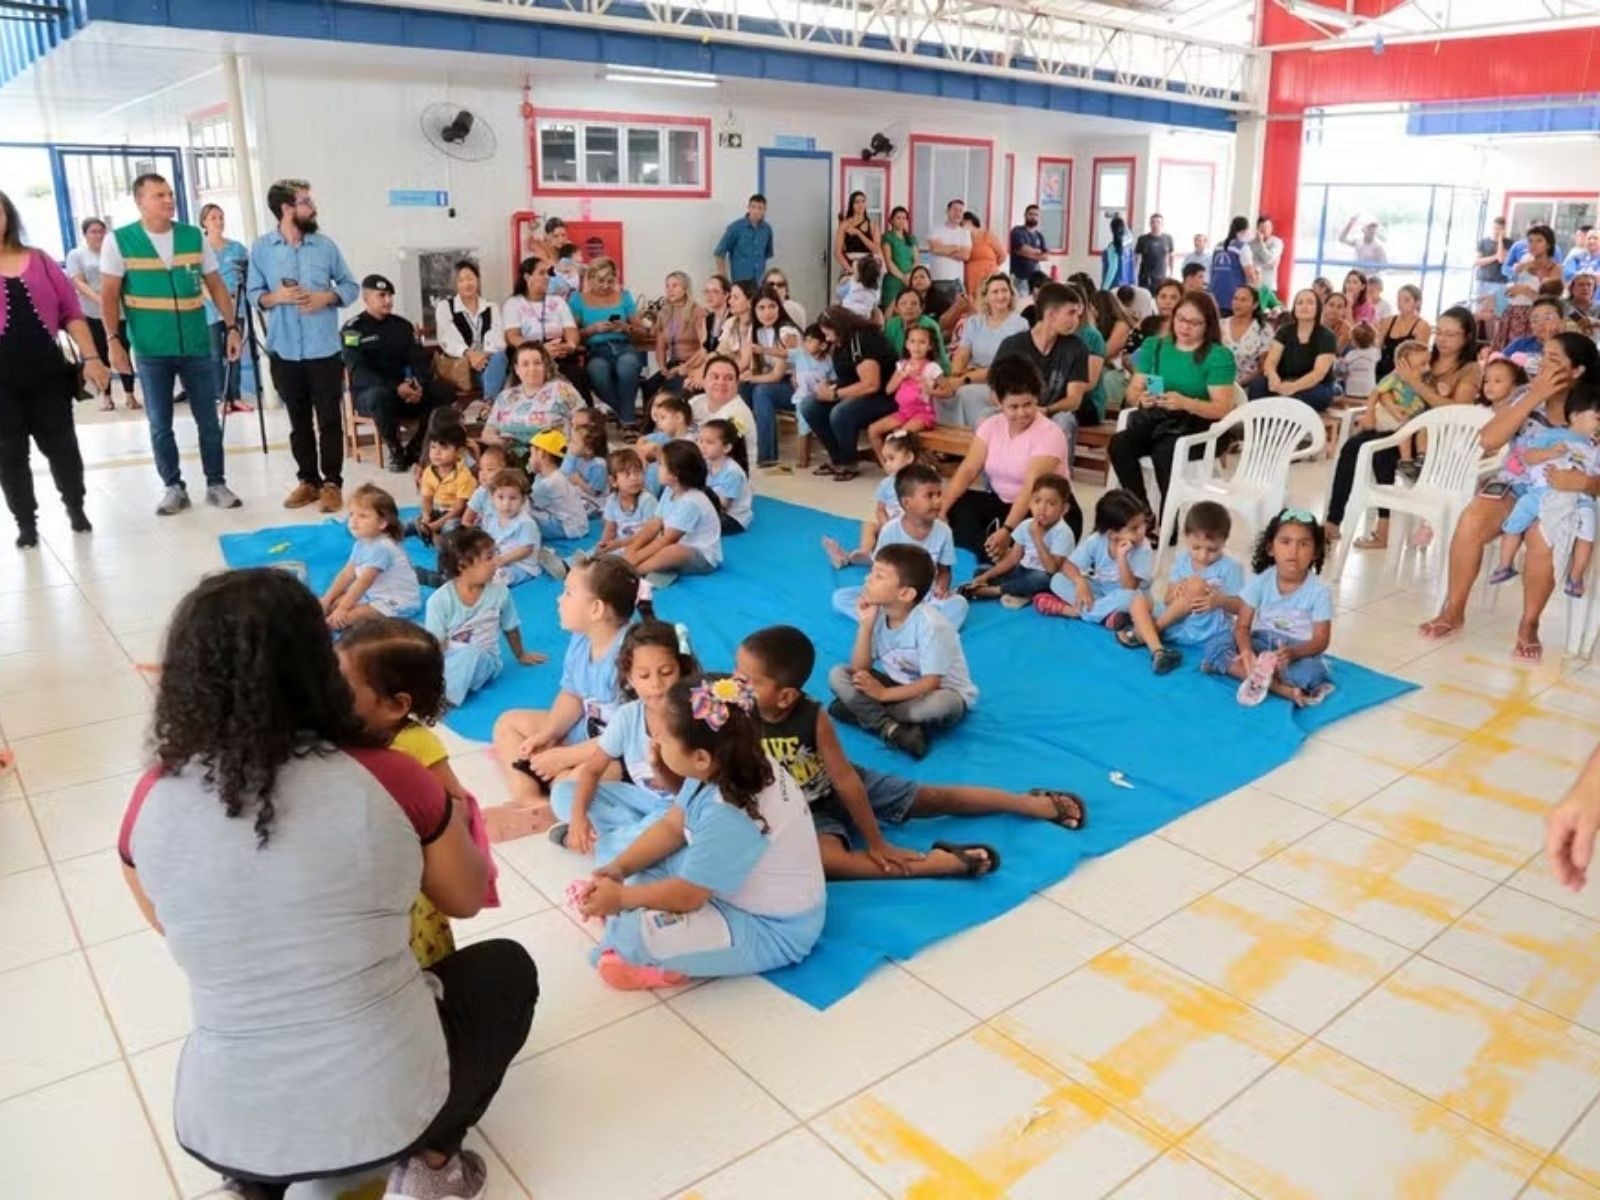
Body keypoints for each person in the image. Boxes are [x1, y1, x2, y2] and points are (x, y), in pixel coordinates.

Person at [117, 568, 537, 1200]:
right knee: (506, 969)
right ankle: (430, 1164)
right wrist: (449, 809)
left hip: (228, 1115)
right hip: (389, 1094)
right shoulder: (394, 776)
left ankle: (250, 1187)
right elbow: (465, 897)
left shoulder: (149, 797)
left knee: (252, 1020)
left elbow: (174, 924)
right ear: (321, 666)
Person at [739, 625, 1083, 883]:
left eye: (747, 680)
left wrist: (877, 841)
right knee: (828, 865)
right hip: (803, 811)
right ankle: (941, 862)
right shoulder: (729, 714)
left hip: (844, 785)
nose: (735, 684)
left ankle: (1025, 803)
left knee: (933, 797)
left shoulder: (812, 717)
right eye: (736, 674)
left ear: (784, 697)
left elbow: (845, 780)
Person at [574, 675, 826, 990]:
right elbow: (672, 826)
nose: (654, 742)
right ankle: (630, 919)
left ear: (700, 758)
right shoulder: (729, 761)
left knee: (632, 935)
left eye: (662, 738)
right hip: (724, 888)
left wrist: (622, 898)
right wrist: (618, 869)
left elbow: (688, 895)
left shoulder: (730, 813)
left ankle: (643, 957)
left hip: (770, 928)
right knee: (641, 866)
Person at [1419, 340, 1600, 659]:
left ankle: (1529, 624)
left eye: (1554, 360)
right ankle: (1454, 610)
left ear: (1577, 370)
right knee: (1472, 518)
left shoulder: (1592, 408)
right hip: (1516, 485)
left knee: (1540, 537)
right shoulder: (1525, 394)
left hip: (1565, 494)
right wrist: (1534, 396)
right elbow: (1488, 439)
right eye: (1543, 357)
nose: (1543, 365)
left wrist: (1585, 481)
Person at [101, 172, 242, 517]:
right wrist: (113, 341)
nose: (168, 200)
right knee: (160, 423)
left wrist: (232, 327)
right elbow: (109, 296)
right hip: (151, 348)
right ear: (140, 201)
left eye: (169, 194)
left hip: (195, 343)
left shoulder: (193, 236)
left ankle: (216, 483)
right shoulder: (119, 241)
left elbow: (216, 285)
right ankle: (173, 487)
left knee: (208, 419)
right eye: (159, 195)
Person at [489, 557, 639, 833]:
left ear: (596, 609)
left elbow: (625, 738)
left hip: (620, 755)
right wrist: (547, 734)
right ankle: (531, 799)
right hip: (586, 734)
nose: (559, 600)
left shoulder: (630, 659)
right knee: (508, 723)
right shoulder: (583, 639)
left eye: (568, 593)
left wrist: (564, 759)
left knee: (568, 784)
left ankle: (556, 800)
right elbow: (571, 694)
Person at [1324, 306, 1483, 551]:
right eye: (1439, 332)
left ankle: (1384, 528)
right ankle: (1334, 521)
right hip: (1400, 423)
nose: (1442, 339)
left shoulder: (1470, 369)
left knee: (1381, 452)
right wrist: (1377, 411)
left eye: (1451, 334)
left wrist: (1415, 383)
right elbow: (1388, 387)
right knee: (1354, 446)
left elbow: (1456, 410)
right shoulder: (1421, 356)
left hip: (1434, 439)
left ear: (1467, 336)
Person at [0, 190, 109, 547]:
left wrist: (92, 358)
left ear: (8, 216)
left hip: (47, 375)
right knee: (9, 455)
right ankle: (25, 523)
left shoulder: (41, 261)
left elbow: (72, 315)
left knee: (63, 447)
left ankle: (75, 507)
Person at [247, 178, 359, 512]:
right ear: (286, 209)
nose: (313, 207)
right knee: (298, 422)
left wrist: (327, 297)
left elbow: (351, 287)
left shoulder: (325, 247)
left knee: (328, 420)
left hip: (323, 350)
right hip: (284, 350)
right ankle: (307, 481)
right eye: (305, 202)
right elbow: (254, 295)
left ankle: (332, 484)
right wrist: (275, 297)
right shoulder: (263, 249)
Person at [547, 619, 700, 857]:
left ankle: (618, 844)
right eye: (644, 675)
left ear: (681, 669)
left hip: (680, 809)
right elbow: (592, 771)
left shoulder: (695, 715)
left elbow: (696, 792)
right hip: (642, 801)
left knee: (625, 851)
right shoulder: (628, 716)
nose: (656, 684)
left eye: (666, 672)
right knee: (562, 794)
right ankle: (637, 838)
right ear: (629, 678)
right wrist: (578, 819)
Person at [1108, 290, 1237, 521]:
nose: (1186, 327)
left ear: (1208, 325)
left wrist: (1186, 402)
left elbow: (1223, 409)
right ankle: (1141, 513)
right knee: (1120, 444)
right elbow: (1134, 389)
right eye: (1181, 320)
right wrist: (1142, 399)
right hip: (1161, 420)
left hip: (1202, 426)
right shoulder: (1155, 346)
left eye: (1195, 323)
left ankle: (1170, 520)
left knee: (1166, 450)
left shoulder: (1218, 355)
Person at [939, 356, 1075, 557]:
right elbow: (968, 470)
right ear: (998, 401)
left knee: (1028, 534)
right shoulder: (990, 426)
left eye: (1028, 404)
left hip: (1041, 509)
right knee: (954, 505)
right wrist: (941, 511)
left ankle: (994, 551)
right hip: (1000, 503)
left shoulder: (1050, 433)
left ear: (1037, 398)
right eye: (1013, 407)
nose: (1022, 413)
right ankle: (990, 551)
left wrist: (1008, 530)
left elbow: (1031, 485)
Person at [1204, 511, 1335, 708]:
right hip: (1262, 642)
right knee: (1215, 644)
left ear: (1315, 552)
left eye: (1304, 544)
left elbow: (1320, 640)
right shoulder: (1260, 582)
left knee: (1311, 674)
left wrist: (1294, 653)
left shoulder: (1319, 591)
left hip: (1297, 652)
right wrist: (1247, 652)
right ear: (1270, 548)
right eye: (1285, 542)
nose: (1294, 550)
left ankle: (1244, 672)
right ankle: (1281, 689)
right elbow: (1242, 626)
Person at [1488, 387, 1600, 598]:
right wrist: (1548, 453)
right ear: (1575, 416)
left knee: (1589, 529)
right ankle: (1504, 564)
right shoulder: (1552, 435)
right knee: (1515, 521)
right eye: (1597, 418)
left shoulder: (1596, 449)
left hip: (1579, 499)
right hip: (1541, 493)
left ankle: (1575, 577)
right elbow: (1529, 456)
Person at [830, 462, 968, 630]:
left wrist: (942, 587)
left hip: (925, 595)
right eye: (929, 495)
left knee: (960, 605)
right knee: (840, 597)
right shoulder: (890, 530)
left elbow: (944, 570)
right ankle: (914, 625)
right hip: (892, 594)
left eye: (939, 494)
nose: (937, 501)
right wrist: (877, 594)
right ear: (907, 503)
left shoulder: (944, 531)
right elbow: (878, 569)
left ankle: (896, 624)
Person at [342, 273, 453, 470]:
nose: (388, 300)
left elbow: (418, 359)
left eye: (390, 296)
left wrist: (418, 383)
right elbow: (359, 371)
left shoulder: (402, 326)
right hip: (373, 395)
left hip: (406, 392)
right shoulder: (353, 329)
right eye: (382, 296)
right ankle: (395, 450)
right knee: (380, 395)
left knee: (443, 390)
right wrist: (395, 387)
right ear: (366, 298)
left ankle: (417, 445)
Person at [424, 527, 544, 706]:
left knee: (471, 655)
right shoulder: (439, 600)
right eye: (489, 557)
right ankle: (429, 684)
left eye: (496, 554)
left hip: (485, 661)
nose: (497, 561)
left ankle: (441, 699)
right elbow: (437, 646)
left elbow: (510, 626)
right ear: (462, 565)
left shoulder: (500, 593)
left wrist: (520, 654)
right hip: (448, 659)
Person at [1120, 500, 1242, 674]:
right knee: (1138, 599)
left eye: (1212, 550)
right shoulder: (1183, 559)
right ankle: (1158, 650)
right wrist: (1176, 590)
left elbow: (1241, 607)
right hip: (1175, 622)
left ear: (1224, 542)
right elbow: (1167, 599)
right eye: (1196, 547)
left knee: (1196, 585)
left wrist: (1219, 600)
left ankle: (1150, 630)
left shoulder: (1231, 568)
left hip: (1203, 628)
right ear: (1186, 538)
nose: (1203, 556)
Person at [991, 281, 1092, 455]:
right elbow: (995, 393)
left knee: (1064, 421)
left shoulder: (1077, 347)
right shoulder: (1012, 345)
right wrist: (1016, 411)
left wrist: (1046, 410)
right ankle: (995, 481)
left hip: (1053, 413)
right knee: (986, 419)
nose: (1076, 320)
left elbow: (1074, 400)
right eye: (1071, 313)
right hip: (1016, 410)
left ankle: (1057, 479)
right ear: (1051, 315)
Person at [800, 305, 896, 483]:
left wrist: (836, 395)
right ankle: (837, 458)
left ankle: (849, 462)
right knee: (809, 405)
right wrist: (830, 386)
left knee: (841, 412)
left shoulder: (865, 338)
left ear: (839, 327)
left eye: (829, 334)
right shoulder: (841, 343)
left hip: (885, 396)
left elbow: (871, 384)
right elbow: (848, 376)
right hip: (859, 393)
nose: (827, 339)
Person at [1033, 488, 1154, 626]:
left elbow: (1129, 587)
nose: (1142, 531)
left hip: (1130, 593)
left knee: (1134, 600)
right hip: (1101, 589)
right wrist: (1080, 582)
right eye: (1134, 528)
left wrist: (1122, 557)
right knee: (1057, 580)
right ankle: (1105, 613)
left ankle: (1073, 611)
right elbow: (1067, 565)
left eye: (1143, 524)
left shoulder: (1143, 548)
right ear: (1112, 533)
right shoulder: (1097, 540)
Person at [959, 472, 1076, 608]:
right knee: (981, 571)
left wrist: (1037, 538)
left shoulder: (1063, 532)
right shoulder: (1026, 525)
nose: (1042, 508)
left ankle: (995, 591)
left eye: (1051, 503)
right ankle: (1018, 591)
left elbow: (1051, 569)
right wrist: (987, 576)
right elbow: (1013, 559)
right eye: (1037, 501)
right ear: (1030, 502)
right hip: (1022, 570)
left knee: (1041, 579)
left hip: (1045, 577)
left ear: (1064, 509)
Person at [622, 440, 724, 584]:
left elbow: (668, 539)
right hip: (675, 544)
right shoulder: (670, 490)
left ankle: (632, 572)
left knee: (671, 552)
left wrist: (635, 559)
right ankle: (649, 568)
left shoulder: (691, 502)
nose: (657, 468)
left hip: (702, 557)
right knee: (642, 542)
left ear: (674, 475)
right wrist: (633, 550)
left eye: (661, 465)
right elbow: (654, 524)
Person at [321, 483, 422, 627]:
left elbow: (363, 582)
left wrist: (343, 608)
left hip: (398, 602)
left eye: (363, 516)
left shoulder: (382, 548)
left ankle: (315, 633)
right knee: (331, 605)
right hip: (373, 596)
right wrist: (327, 598)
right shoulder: (362, 542)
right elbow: (347, 573)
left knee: (341, 619)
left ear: (382, 523)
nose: (353, 521)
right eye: (351, 514)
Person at [937, 272, 1027, 427]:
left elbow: (1006, 366)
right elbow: (962, 353)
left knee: (964, 393)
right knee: (940, 392)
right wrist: (955, 375)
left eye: (1005, 291)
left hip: (1002, 381)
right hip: (970, 375)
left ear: (1011, 294)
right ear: (986, 297)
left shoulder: (1020, 324)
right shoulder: (974, 322)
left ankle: (975, 441)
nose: (1000, 296)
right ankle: (950, 446)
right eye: (995, 292)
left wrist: (964, 379)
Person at [822, 429, 920, 569]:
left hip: (910, 528)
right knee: (869, 524)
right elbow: (880, 509)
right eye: (885, 460)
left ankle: (854, 557)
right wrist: (885, 523)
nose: (887, 464)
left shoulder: (918, 482)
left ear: (909, 458)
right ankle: (865, 552)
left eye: (892, 459)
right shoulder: (886, 483)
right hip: (889, 525)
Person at [66, 216, 136, 409]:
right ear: (85, 234)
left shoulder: (114, 252)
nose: (98, 235)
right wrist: (99, 299)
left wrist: (112, 301)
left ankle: (130, 395)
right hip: (92, 313)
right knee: (101, 354)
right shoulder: (77, 254)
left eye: (101, 231)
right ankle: (106, 396)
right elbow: (77, 281)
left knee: (123, 351)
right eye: (93, 231)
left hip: (118, 312)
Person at [571, 256, 644, 430]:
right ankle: (627, 416)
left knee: (628, 365)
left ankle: (627, 422)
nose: (605, 286)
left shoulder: (624, 297)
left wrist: (625, 328)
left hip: (624, 347)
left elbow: (641, 331)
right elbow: (572, 335)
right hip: (596, 350)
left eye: (610, 281)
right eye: (600, 281)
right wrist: (592, 330)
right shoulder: (578, 300)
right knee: (597, 372)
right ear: (590, 278)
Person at [502, 255, 582, 398]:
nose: (547, 277)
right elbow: (512, 337)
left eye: (547, 273)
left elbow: (571, 330)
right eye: (541, 273)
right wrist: (540, 350)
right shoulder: (513, 303)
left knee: (577, 376)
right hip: (529, 357)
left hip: (559, 354)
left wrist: (570, 346)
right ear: (527, 277)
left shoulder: (558, 301)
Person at [481, 341, 580, 453]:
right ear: (517, 369)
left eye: (537, 363)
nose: (532, 369)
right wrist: (500, 441)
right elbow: (487, 433)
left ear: (545, 366)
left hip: (553, 459)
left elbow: (584, 422)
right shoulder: (505, 396)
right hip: (512, 460)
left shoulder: (562, 389)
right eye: (525, 364)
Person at [1249, 289, 1339, 411]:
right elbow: (1270, 363)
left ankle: (1282, 425)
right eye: (1300, 303)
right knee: (1257, 386)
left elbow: (1318, 374)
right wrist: (1273, 376)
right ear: (1294, 308)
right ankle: (1260, 425)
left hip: (1316, 386)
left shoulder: (1327, 336)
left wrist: (1293, 387)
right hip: (1284, 380)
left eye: (1310, 303)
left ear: (1318, 308)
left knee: (1298, 398)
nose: (1304, 306)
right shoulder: (1284, 331)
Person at [199, 204, 250, 414]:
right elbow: (200, 281)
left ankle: (235, 396)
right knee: (214, 354)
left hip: (236, 308)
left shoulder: (236, 248)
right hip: (211, 309)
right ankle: (221, 397)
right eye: (213, 218)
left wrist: (233, 299)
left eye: (221, 217)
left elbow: (246, 275)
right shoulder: (200, 249)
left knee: (235, 352)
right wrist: (219, 301)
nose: (218, 222)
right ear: (204, 222)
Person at [480, 467, 552, 586]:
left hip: (521, 565)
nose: (506, 504)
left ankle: (491, 583)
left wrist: (502, 560)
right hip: (498, 559)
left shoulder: (526, 523)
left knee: (502, 575)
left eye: (513, 498)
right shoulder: (491, 518)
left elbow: (525, 549)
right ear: (492, 498)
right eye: (500, 497)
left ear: (523, 500)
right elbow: (488, 540)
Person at [690, 353, 759, 470]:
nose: (721, 382)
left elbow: (714, 455)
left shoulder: (736, 414)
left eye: (729, 378)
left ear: (737, 384)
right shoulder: (696, 402)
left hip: (726, 477)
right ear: (704, 380)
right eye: (715, 377)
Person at [644, 269, 702, 401]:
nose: (670, 290)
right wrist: (663, 368)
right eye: (667, 286)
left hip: (692, 364)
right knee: (649, 386)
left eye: (675, 285)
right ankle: (651, 421)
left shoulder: (697, 312)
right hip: (672, 364)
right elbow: (660, 346)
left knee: (672, 388)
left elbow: (705, 347)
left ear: (685, 288)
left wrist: (685, 367)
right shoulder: (665, 313)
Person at [412, 422, 474, 547]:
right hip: (438, 510)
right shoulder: (429, 471)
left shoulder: (463, 475)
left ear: (459, 452)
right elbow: (427, 498)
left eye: (444, 448)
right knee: (417, 521)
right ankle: (428, 532)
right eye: (433, 447)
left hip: (455, 515)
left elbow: (459, 508)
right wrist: (426, 515)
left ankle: (437, 538)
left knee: (451, 527)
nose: (436, 453)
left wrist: (437, 524)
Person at [527, 428, 590, 540]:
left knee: (526, 520)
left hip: (569, 528)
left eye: (531, 454)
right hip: (577, 524)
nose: (529, 460)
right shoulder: (553, 475)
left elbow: (527, 503)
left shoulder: (548, 483)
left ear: (541, 453)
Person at [595, 447, 658, 554]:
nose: (634, 478)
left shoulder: (647, 501)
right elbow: (610, 530)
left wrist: (620, 544)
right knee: (596, 551)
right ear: (613, 481)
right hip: (621, 544)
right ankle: (569, 565)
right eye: (627, 474)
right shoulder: (612, 500)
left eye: (637, 472)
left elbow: (648, 534)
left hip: (642, 544)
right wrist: (603, 543)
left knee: (617, 557)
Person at [699, 417, 753, 535]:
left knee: (693, 525)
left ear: (726, 448)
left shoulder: (732, 472)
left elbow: (724, 506)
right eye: (700, 441)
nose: (702, 446)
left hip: (732, 517)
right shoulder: (707, 463)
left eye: (709, 442)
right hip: (712, 508)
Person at [1221, 284, 1273, 392]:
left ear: (1255, 305)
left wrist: (1238, 385)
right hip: (1219, 382)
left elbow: (1262, 368)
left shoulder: (1263, 329)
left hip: (1248, 385)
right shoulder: (1220, 325)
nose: (1237, 303)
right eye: (1235, 299)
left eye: (1243, 300)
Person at [714, 193, 774, 284]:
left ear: (764, 210)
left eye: (760, 208)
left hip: (760, 282)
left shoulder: (767, 229)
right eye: (753, 207)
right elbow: (719, 254)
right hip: (740, 283)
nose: (756, 211)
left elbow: (766, 254)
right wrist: (724, 280)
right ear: (748, 208)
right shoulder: (735, 227)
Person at [1375, 284, 1431, 379]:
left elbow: (1418, 359)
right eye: (1399, 300)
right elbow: (1377, 346)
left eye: (1406, 300)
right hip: (1381, 371)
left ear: (1417, 303)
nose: (1400, 303)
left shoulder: (1422, 326)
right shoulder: (1387, 321)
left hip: (1404, 376)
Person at [1503, 297, 1565, 378]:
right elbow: (1500, 366)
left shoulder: (1569, 346)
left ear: (1561, 322)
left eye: (1547, 318)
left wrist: (1548, 342)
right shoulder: (1520, 344)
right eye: (1535, 319)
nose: (1541, 323)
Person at [927, 198, 970, 310]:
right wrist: (956, 247)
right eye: (955, 209)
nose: (958, 213)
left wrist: (943, 250)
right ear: (947, 211)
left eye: (961, 211)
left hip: (957, 281)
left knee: (956, 313)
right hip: (938, 279)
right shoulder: (936, 229)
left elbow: (965, 255)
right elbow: (935, 249)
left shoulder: (965, 233)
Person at [1207, 217, 1252, 316]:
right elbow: (1250, 275)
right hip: (1233, 296)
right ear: (1245, 230)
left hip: (1215, 295)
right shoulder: (1242, 247)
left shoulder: (1218, 246)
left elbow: (1212, 271)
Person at [880, 206, 918, 312]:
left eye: (904, 218)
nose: (901, 221)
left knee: (907, 309)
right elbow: (888, 261)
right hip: (893, 280)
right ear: (891, 220)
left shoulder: (911, 238)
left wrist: (910, 277)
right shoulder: (887, 237)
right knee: (890, 311)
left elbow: (916, 260)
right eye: (898, 218)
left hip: (910, 280)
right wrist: (903, 277)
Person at [961, 211, 1005, 299]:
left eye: (962, 223)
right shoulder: (962, 238)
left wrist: (991, 267)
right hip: (971, 278)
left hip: (989, 275)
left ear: (970, 221)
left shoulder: (987, 235)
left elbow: (1002, 255)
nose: (960, 226)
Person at [836, 190, 881, 271]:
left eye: (863, 201)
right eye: (857, 202)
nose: (860, 205)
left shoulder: (873, 224)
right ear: (852, 205)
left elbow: (876, 250)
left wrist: (858, 233)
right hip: (851, 265)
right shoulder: (845, 224)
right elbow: (837, 253)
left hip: (869, 267)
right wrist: (850, 270)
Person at [1010, 204, 1049, 294]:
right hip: (1019, 277)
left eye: (1036, 215)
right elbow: (1022, 249)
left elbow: (1046, 256)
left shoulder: (1039, 235)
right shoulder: (1017, 231)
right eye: (1030, 214)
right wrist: (1038, 252)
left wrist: (1026, 253)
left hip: (1036, 278)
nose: (1033, 217)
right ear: (1025, 215)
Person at [1475, 215, 1512, 305]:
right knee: (1481, 309)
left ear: (1504, 229)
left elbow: (1501, 259)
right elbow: (1477, 261)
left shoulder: (1509, 243)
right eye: (1495, 228)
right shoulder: (1483, 242)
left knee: (1498, 311)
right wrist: (1495, 256)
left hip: (1500, 283)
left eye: (1500, 229)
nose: (1496, 231)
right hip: (1482, 281)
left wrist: (1500, 240)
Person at [1134, 213, 1174, 293]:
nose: (1155, 224)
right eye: (1153, 222)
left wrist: (1171, 273)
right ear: (1150, 224)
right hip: (1145, 276)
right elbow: (1136, 258)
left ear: (1162, 224)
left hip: (1161, 277)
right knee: (1144, 298)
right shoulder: (1142, 239)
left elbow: (1171, 257)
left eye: (1158, 222)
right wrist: (1134, 274)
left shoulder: (1168, 238)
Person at [1252, 214, 1284, 297]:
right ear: (1257, 228)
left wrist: (1261, 243)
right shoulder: (1250, 244)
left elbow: (1268, 259)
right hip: (1253, 287)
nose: (1265, 230)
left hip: (1268, 286)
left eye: (1268, 227)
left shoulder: (1276, 242)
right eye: (1262, 227)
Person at [1101, 215, 1135, 292]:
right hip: (1127, 287)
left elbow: (1113, 268)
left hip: (1114, 287)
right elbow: (1129, 235)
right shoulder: (1128, 247)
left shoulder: (1112, 248)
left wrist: (1104, 289)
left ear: (1111, 230)